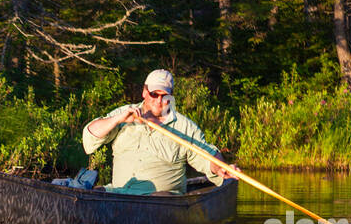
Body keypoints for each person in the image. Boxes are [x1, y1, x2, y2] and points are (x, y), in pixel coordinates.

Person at [82, 70, 236, 195]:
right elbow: (89, 138)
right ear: (144, 92)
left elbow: (208, 156)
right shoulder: (124, 113)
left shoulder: (185, 127)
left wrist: (221, 167)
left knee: (161, 195)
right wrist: (117, 119)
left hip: (162, 201)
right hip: (119, 194)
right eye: (154, 94)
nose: (159, 100)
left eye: (165, 96)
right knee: (91, 192)